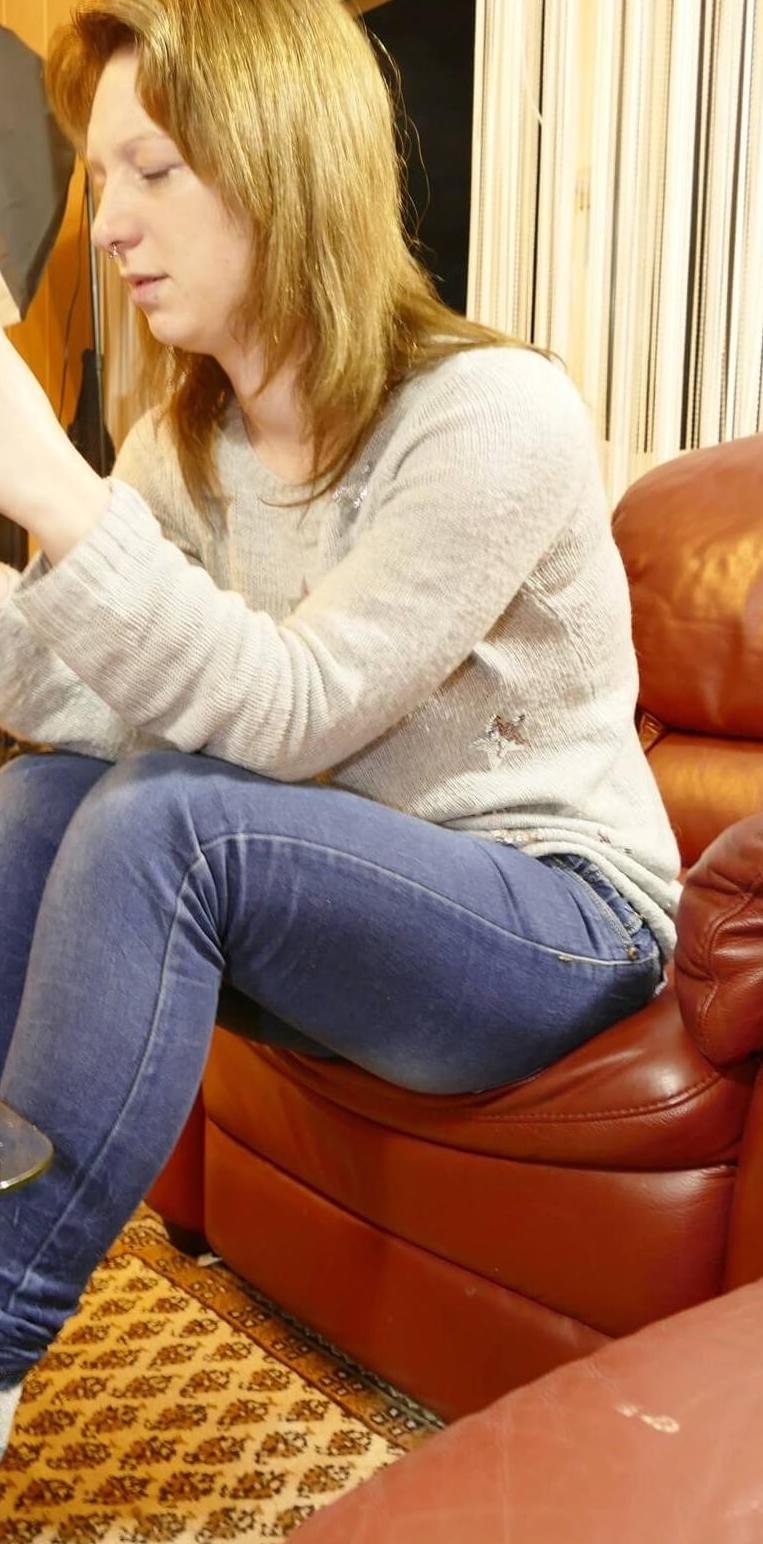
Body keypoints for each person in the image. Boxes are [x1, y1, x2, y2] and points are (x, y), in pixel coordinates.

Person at [0, 0, 680, 1459]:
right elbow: (82, 691)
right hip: (339, 892)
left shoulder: (494, 414)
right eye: (99, 177)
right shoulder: (189, 446)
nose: (108, 224)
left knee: (167, 822)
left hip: (558, 915)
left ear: (284, 163)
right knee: (47, 798)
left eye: (153, 170)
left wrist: (55, 491)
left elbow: (293, 713)